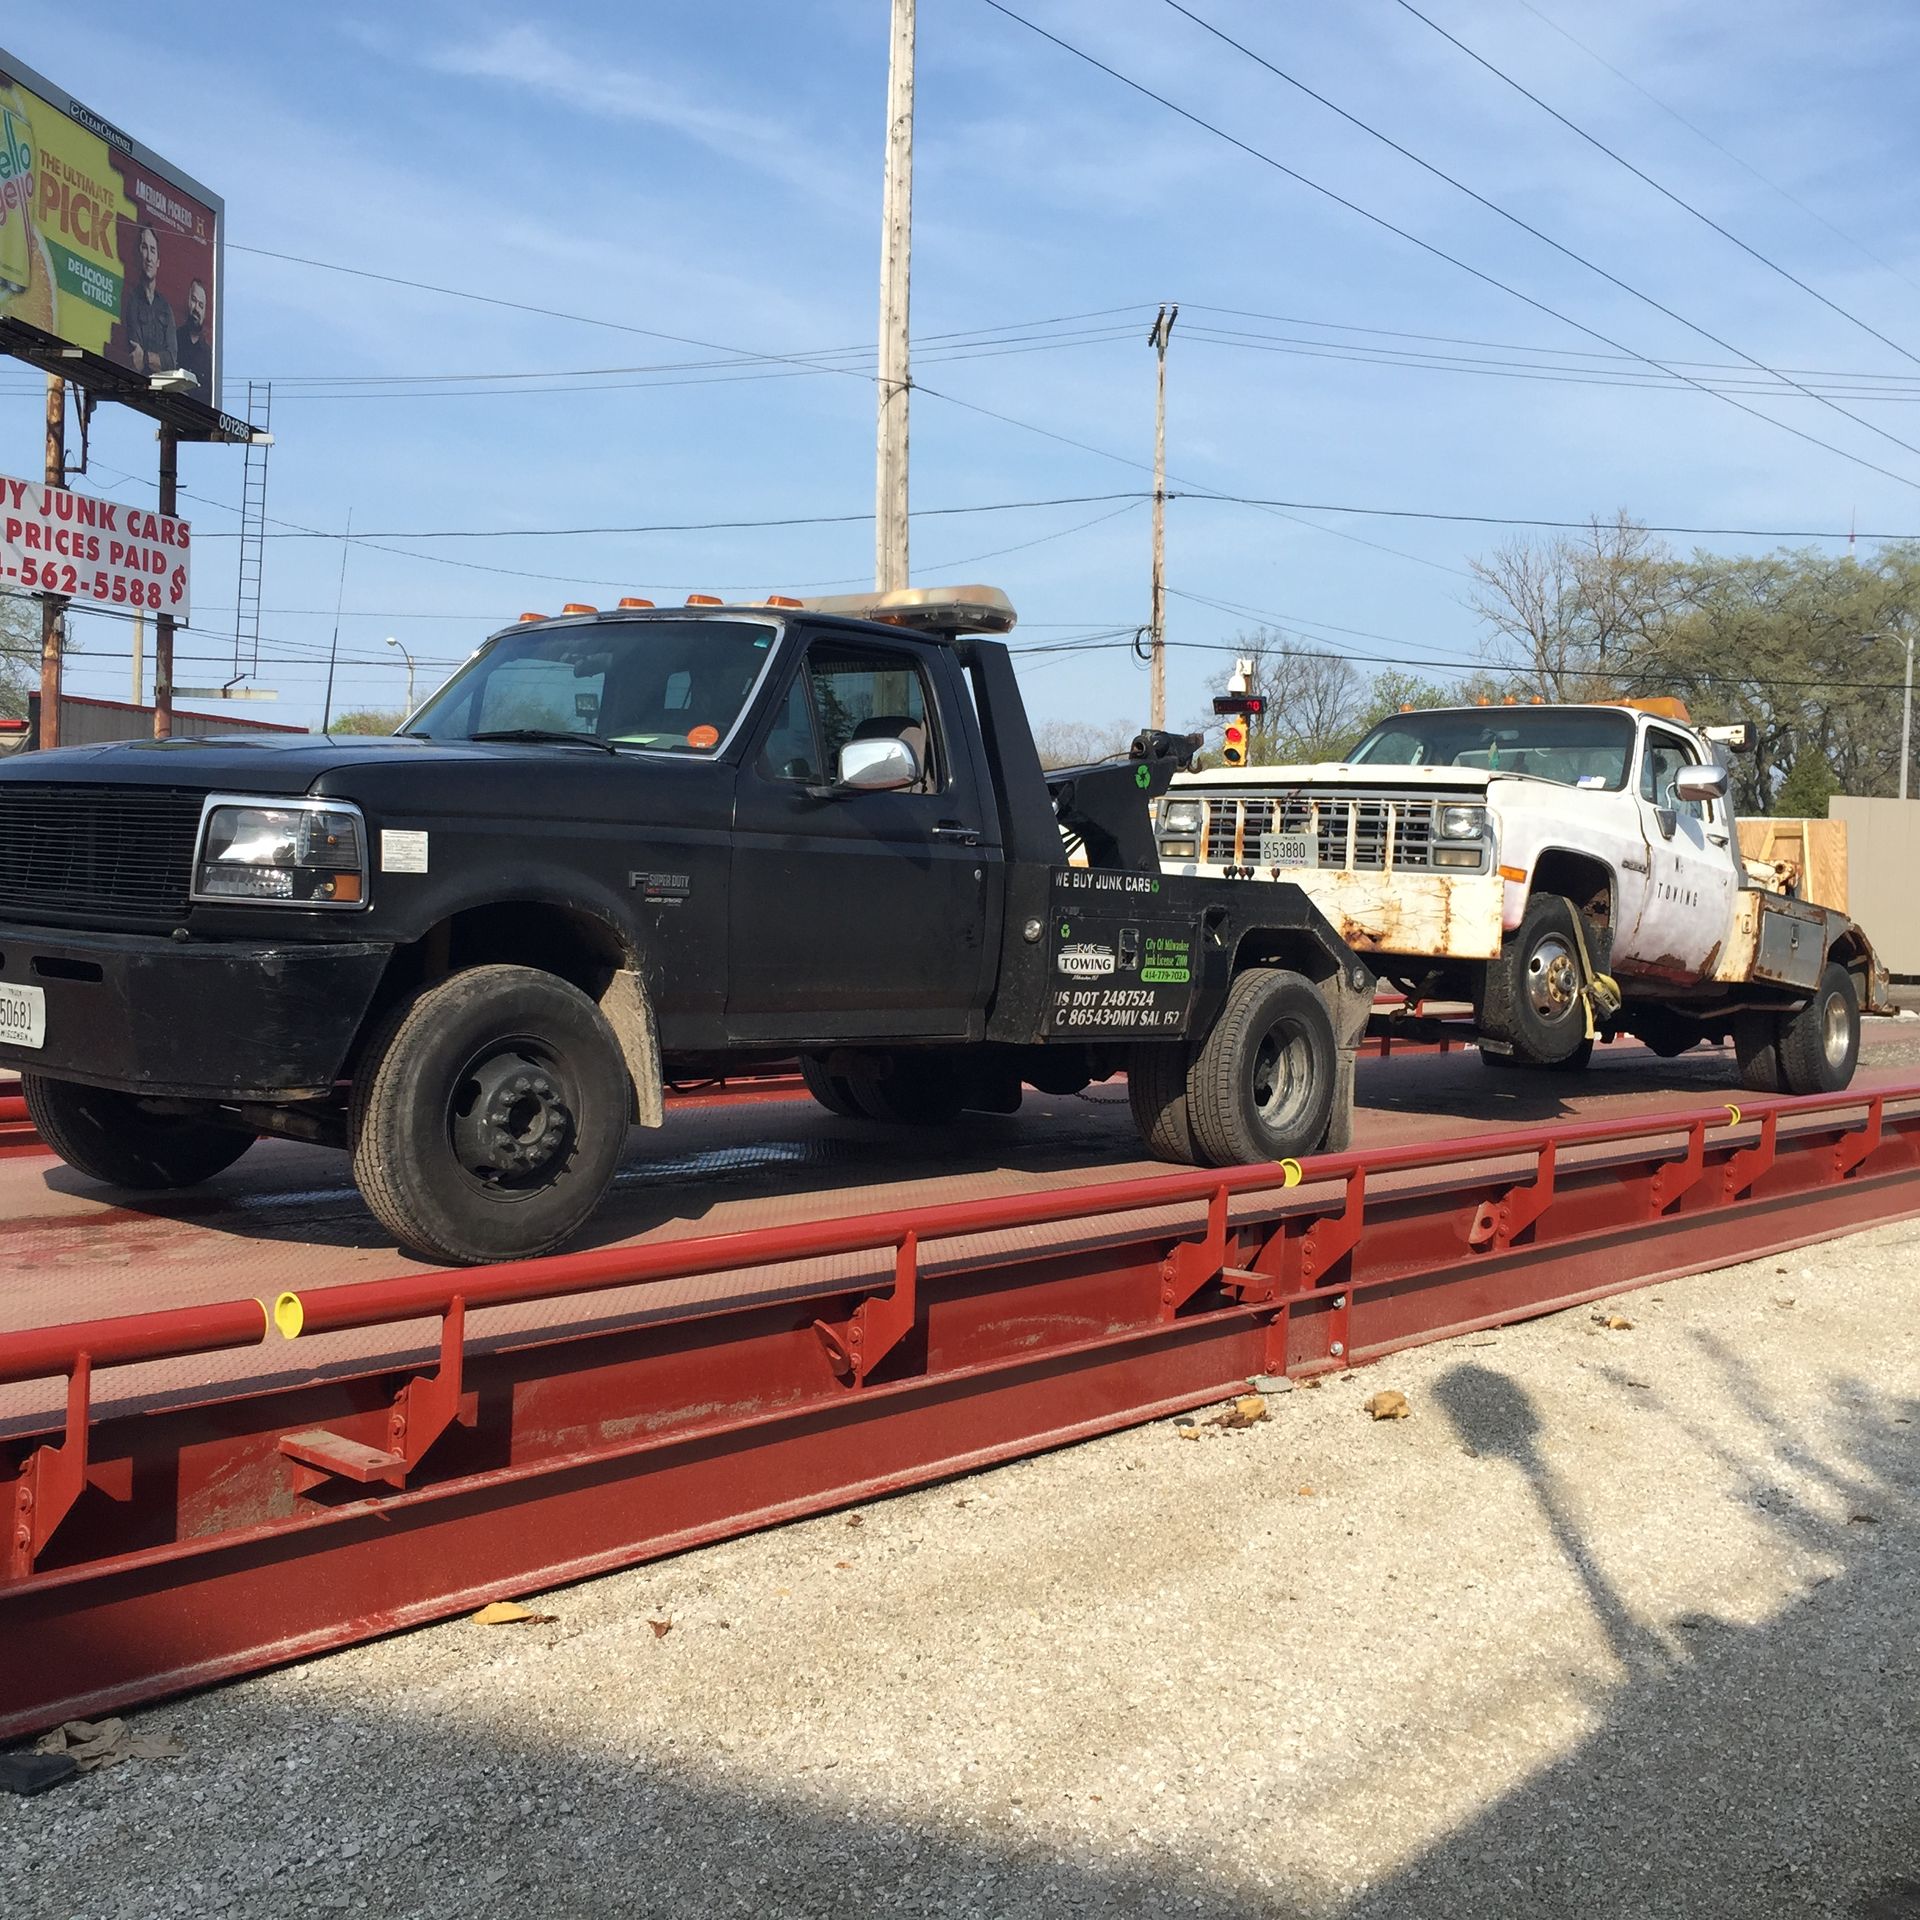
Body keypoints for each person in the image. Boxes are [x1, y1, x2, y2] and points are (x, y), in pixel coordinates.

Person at [122, 222, 174, 374]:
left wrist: (145, 357)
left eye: (153, 250)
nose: (149, 257)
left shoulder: (165, 307)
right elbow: (134, 357)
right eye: (145, 248)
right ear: (139, 253)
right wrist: (158, 359)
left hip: (163, 390)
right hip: (135, 382)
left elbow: (172, 361)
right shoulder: (130, 300)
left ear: (158, 261)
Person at [176, 276, 211, 391]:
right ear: (188, 300)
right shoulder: (173, 339)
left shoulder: (208, 356)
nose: (196, 308)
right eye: (194, 300)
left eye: (201, 305)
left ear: (205, 313)